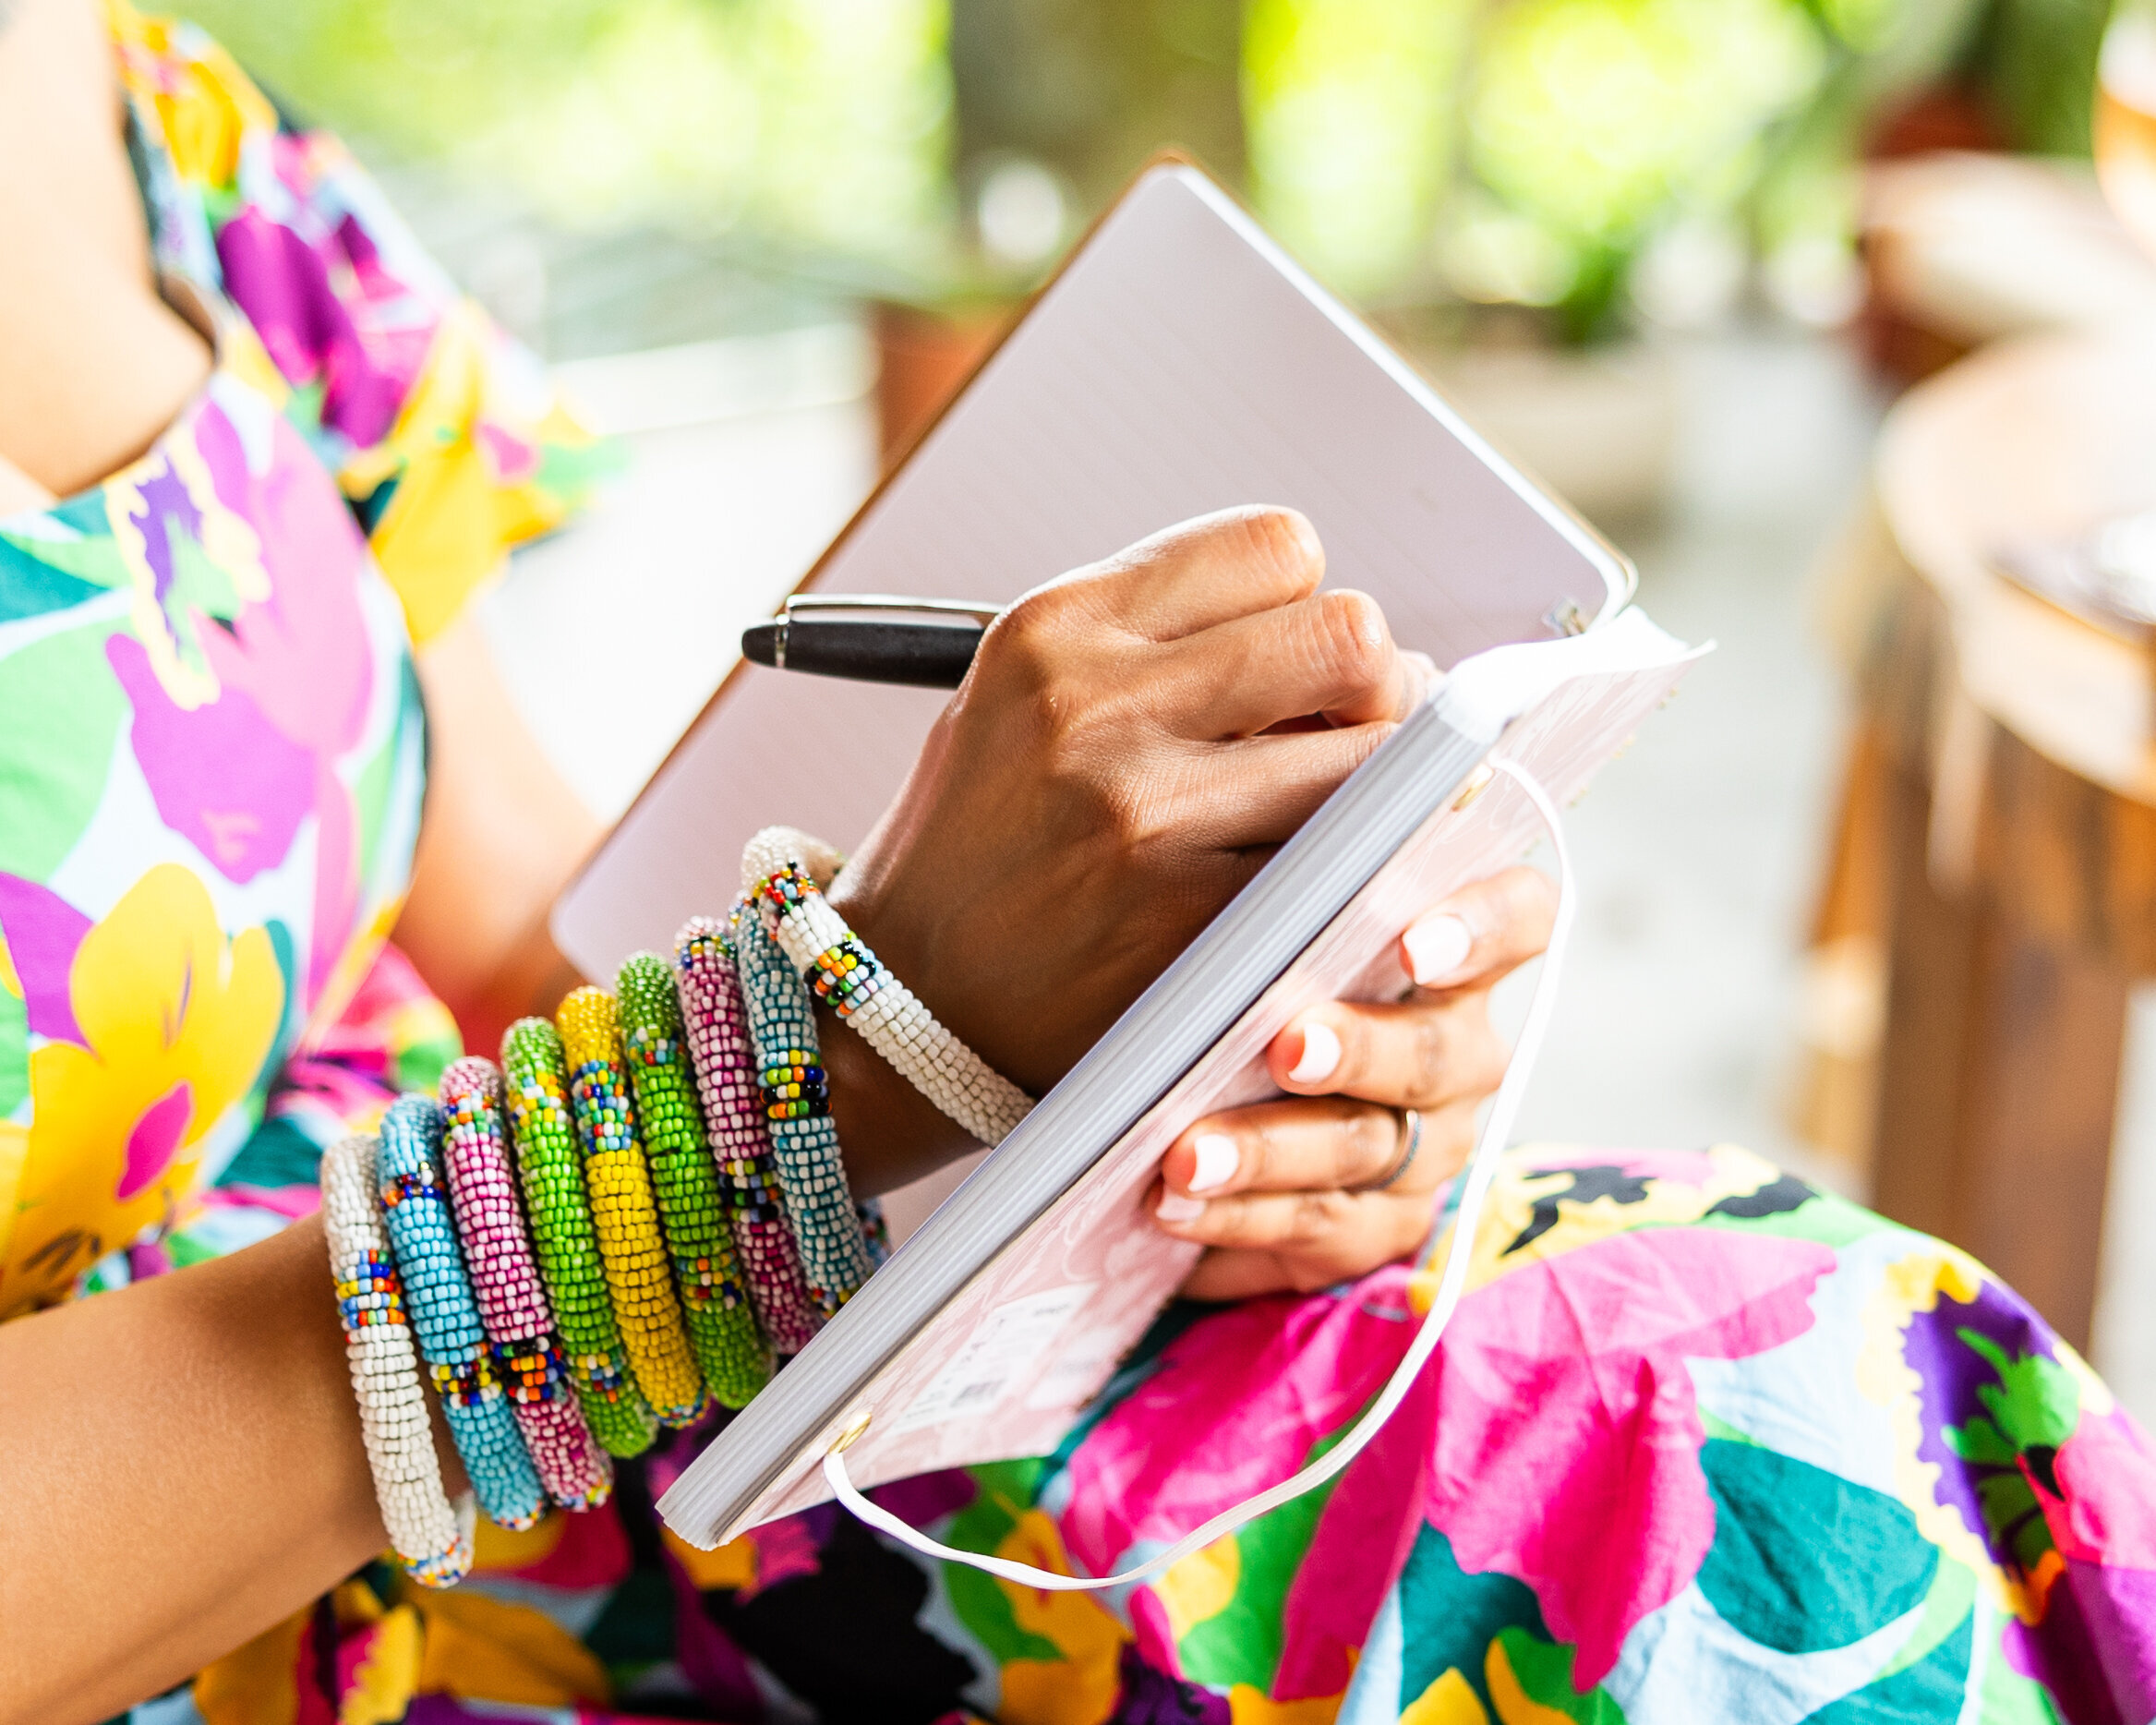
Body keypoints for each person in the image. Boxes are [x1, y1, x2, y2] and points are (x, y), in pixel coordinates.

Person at [2, 4, 2153, 1722]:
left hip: (529, 1444)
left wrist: (1184, 1069)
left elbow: (512, 948)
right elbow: (667, 1115)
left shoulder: (128, 105)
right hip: (214, 1545)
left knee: (1748, 1397)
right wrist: (779, 1088)